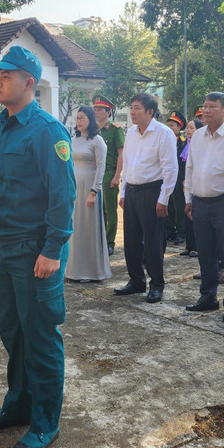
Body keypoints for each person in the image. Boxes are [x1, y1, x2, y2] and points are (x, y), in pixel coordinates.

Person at [0, 45, 75, 448]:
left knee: (39, 336)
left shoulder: (47, 131)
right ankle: (17, 406)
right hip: (3, 248)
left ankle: (45, 422)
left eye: (6, 74)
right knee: (13, 333)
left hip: (37, 253)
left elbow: (62, 196)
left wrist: (52, 250)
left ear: (29, 83)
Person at [183, 92, 224, 323]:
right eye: (205, 106)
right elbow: (190, 167)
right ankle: (208, 296)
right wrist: (188, 198)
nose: (207, 110)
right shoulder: (199, 136)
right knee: (206, 253)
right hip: (200, 202)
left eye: (213, 106)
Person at [114, 93, 178, 303]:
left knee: (153, 242)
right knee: (131, 241)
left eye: (137, 108)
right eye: (131, 107)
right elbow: (129, 163)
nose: (132, 112)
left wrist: (164, 198)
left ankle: (156, 284)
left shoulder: (163, 133)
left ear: (150, 112)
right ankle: (136, 281)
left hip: (153, 192)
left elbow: (170, 168)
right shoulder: (131, 132)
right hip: (132, 191)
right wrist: (123, 192)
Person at [66, 106, 111, 283]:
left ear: (90, 120)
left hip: (89, 189)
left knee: (88, 227)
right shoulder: (72, 139)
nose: (79, 121)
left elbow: (101, 167)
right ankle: (74, 269)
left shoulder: (97, 141)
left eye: (82, 118)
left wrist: (94, 191)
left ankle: (91, 271)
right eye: (77, 118)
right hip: (74, 188)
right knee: (75, 227)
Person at [94, 97, 124, 256]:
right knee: (98, 210)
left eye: (100, 109)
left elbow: (121, 154)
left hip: (109, 172)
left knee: (110, 210)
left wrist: (117, 175)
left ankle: (109, 242)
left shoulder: (114, 129)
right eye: (95, 109)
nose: (96, 112)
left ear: (108, 111)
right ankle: (100, 239)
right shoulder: (93, 130)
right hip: (95, 174)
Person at [179, 118, 204, 257]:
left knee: (195, 216)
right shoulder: (184, 144)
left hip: (195, 185)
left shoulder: (200, 145)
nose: (188, 130)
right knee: (187, 215)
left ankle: (196, 247)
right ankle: (189, 246)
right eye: (188, 127)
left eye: (192, 127)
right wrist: (183, 181)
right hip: (185, 185)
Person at [165, 110, 188, 246]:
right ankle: (169, 231)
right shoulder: (164, 140)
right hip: (166, 179)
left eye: (172, 125)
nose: (169, 128)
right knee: (168, 206)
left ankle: (181, 233)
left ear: (180, 127)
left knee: (179, 207)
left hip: (179, 179)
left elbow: (185, 164)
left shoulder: (183, 142)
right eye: (168, 125)